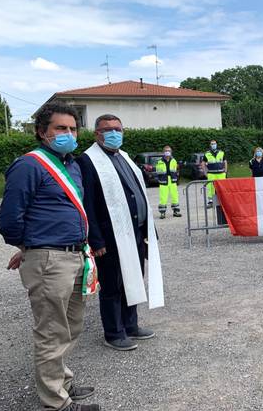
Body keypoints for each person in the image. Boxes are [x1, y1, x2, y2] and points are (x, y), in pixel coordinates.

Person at [0, 102, 100, 411]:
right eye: (60, 128)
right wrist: (30, 248)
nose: (68, 134)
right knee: (52, 330)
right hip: (49, 261)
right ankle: (56, 402)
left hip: (75, 256)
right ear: (42, 132)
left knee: (70, 325)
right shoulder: (29, 165)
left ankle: (61, 381)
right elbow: (10, 220)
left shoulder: (71, 165)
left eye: (72, 128)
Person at [77, 114, 164, 352]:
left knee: (134, 278)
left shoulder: (123, 156)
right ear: (97, 134)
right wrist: (95, 239)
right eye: (108, 129)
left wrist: (150, 229)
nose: (114, 133)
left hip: (134, 231)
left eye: (118, 129)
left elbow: (139, 195)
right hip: (109, 236)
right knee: (113, 284)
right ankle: (114, 333)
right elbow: (88, 204)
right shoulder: (88, 160)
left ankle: (130, 324)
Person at [156, 145, 181, 219]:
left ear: (171, 152)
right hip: (163, 181)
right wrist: (159, 180)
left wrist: (176, 179)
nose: (167, 152)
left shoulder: (174, 161)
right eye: (166, 151)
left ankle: (176, 211)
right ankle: (162, 213)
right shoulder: (159, 161)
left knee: (175, 197)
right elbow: (158, 172)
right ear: (163, 152)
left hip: (172, 181)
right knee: (163, 198)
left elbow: (176, 171)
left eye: (169, 151)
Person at [202, 139, 227, 204]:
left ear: (216, 144)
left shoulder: (221, 152)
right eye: (212, 144)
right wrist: (205, 172)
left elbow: (225, 162)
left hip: (221, 173)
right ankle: (211, 200)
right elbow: (203, 163)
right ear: (210, 145)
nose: (214, 145)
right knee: (210, 187)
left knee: (222, 187)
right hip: (211, 173)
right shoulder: (207, 154)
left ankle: (223, 199)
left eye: (214, 144)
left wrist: (225, 171)